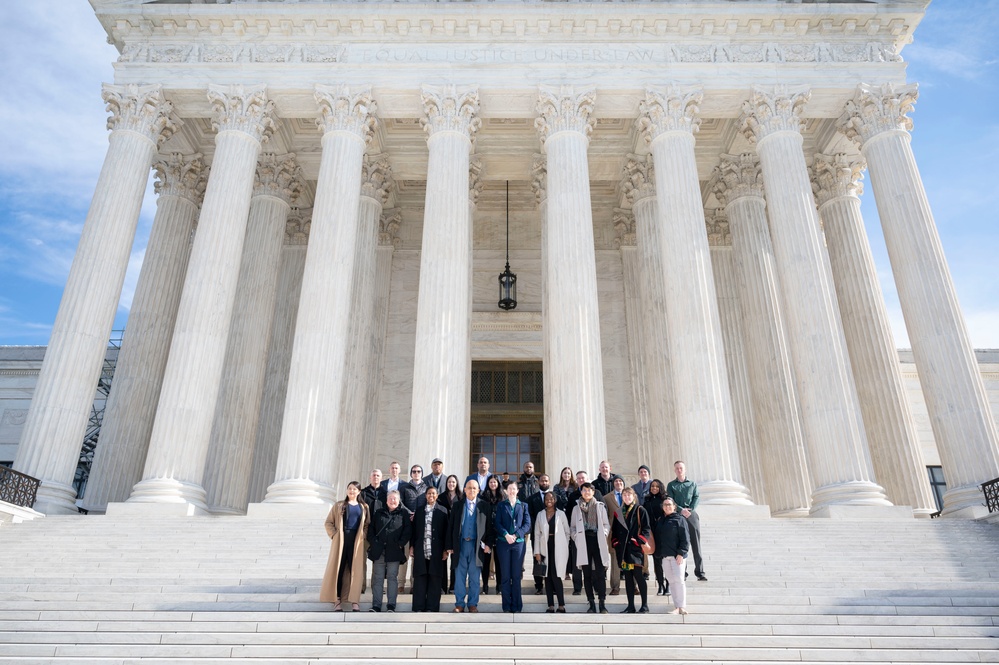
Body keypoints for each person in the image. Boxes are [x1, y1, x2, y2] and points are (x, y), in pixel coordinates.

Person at [320, 481, 370, 612]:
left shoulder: (364, 507)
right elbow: (328, 522)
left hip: (356, 542)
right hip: (342, 540)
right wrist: (335, 535)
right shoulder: (339, 505)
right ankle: (337, 600)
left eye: (354, 489)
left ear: (359, 492)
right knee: (339, 570)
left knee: (355, 571)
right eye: (350, 489)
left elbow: (367, 525)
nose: (352, 491)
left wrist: (363, 535)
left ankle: (355, 601)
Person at [447, 478, 492, 613]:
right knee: (459, 577)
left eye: (474, 488)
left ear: (478, 490)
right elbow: (451, 527)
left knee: (474, 577)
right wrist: (449, 545)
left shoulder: (484, 506)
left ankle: (473, 604)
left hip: (476, 546)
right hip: (460, 545)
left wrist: (489, 544)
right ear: (465, 490)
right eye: (469, 488)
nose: (472, 490)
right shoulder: (457, 505)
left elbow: (489, 528)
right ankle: (459, 604)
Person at [367, 490, 411, 612]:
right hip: (379, 551)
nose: (392, 501)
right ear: (386, 501)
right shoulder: (378, 513)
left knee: (392, 578)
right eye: (390, 498)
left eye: (395, 499)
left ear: (399, 501)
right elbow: (371, 530)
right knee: (378, 578)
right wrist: (374, 543)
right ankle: (376, 605)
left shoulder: (403, 514)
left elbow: (407, 531)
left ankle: (391, 605)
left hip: (394, 551)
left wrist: (400, 544)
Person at [569, 482, 610, 614]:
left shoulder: (600, 506)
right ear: (581, 492)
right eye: (584, 490)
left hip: (597, 540)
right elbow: (572, 527)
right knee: (586, 573)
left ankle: (602, 602)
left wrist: (603, 534)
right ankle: (591, 603)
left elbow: (606, 524)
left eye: (589, 490)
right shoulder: (576, 508)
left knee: (600, 572)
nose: (587, 492)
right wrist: (576, 536)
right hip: (583, 541)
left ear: (593, 492)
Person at [612, 487, 652, 613]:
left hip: (636, 550)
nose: (626, 497)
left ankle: (644, 605)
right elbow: (614, 531)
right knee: (628, 578)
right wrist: (616, 542)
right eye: (624, 495)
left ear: (634, 496)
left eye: (629, 495)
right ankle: (630, 606)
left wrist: (639, 541)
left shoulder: (640, 510)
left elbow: (646, 528)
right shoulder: (618, 512)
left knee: (639, 576)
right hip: (623, 550)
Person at [494, 480, 531, 613]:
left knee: (516, 576)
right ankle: (506, 606)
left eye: (514, 489)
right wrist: (506, 534)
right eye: (509, 489)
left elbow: (527, 524)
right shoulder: (501, 505)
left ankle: (517, 606)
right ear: (506, 491)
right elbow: (497, 523)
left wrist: (516, 535)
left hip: (518, 544)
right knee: (505, 576)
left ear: (517, 491)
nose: (511, 491)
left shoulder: (524, 506)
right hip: (503, 544)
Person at [409, 486, 448, 612]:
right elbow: (414, 531)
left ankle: (432, 607)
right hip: (421, 549)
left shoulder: (443, 511)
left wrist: (446, 550)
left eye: (433, 494)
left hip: (436, 550)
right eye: (429, 493)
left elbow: (446, 532)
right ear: (425, 495)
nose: (431, 496)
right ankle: (419, 607)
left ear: (437, 496)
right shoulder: (419, 511)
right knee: (420, 578)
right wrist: (411, 546)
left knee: (435, 579)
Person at [667, 460, 706, 581]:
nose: (679, 470)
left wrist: (690, 509)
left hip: (691, 515)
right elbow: (670, 499)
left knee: (696, 543)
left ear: (685, 469)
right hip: (678, 516)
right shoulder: (671, 485)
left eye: (681, 468)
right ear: (674, 470)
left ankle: (700, 572)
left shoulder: (692, 484)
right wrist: (680, 509)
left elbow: (696, 497)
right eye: (677, 468)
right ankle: (683, 571)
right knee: (681, 543)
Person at [533, 490, 569, 613]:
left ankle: (561, 605)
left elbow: (567, 532)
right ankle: (550, 606)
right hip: (545, 548)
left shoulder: (561, 514)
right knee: (547, 577)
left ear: (555, 500)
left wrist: (565, 545)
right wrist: (537, 552)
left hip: (558, 547)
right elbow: (537, 534)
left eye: (551, 498)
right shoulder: (540, 515)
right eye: (547, 499)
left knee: (556, 576)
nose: (549, 500)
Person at [654, 496, 690, 615]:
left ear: (674, 506)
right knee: (672, 581)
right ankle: (676, 606)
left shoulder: (680, 519)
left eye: (669, 504)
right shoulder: (661, 520)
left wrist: (681, 553)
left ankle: (682, 606)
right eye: (665, 505)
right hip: (665, 556)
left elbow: (685, 538)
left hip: (677, 556)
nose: (667, 507)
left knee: (679, 580)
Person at [525, 472, 550, 595]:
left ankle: (551, 585)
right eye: (542, 481)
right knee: (538, 559)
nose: (544, 483)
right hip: (537, 534)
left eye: (546, 481)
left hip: (552, 534)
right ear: (538, 482)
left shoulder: (554, 498)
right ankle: (539, 586)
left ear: (549, 482)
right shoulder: (531, 499)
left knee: (551, 559)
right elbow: (529, 516)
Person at [438, 474, 462, 593]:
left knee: (455, 561)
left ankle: (453, 586)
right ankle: (442, 586)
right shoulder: (441, 497)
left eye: (453, 482)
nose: (451, 484)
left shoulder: (461, 497)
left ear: (456, 483)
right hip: (443, 530)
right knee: (443, 558)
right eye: (449, 482)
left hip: (456, 532)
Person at [603, 476, 627, 596]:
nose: (618, 483)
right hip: (614, 533)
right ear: (613, 484)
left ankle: (633, 586)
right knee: (615, 561)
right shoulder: (607, 498)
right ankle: (615, 587)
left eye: (620, 481)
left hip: (628, 533)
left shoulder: (630, 495)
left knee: (630, 560)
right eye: (616, 481)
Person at [479, 474, 504, 594]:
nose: (493, 484)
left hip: (499, 533)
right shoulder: (483, 497)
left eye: (495, 482)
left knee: (499, 562)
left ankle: (499, 587)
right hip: (486, 533)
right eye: (491, 482)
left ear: (498, 483)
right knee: (486, 562)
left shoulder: (503, 497)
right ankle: (485, 586)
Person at [644, 479, 669, 596]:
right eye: (652, 486)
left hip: (664, 533)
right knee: (657, 561)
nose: (654, 488)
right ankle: (660, 585)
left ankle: (668, 585)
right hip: (653, 534)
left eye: (657, 486)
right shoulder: (647, 499)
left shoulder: (665, 499)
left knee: (667, 561)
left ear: (660, 488)